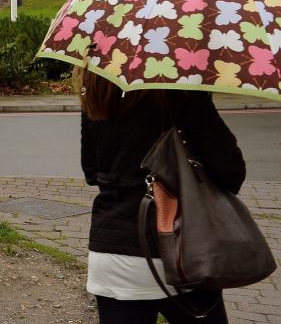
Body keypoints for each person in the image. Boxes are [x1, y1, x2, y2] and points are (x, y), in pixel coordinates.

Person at [79, 68, 245, 323]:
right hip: (183, 252)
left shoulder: (97, 88)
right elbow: (231, 172)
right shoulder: (181, 89)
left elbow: (92, 172)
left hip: (111, 256)